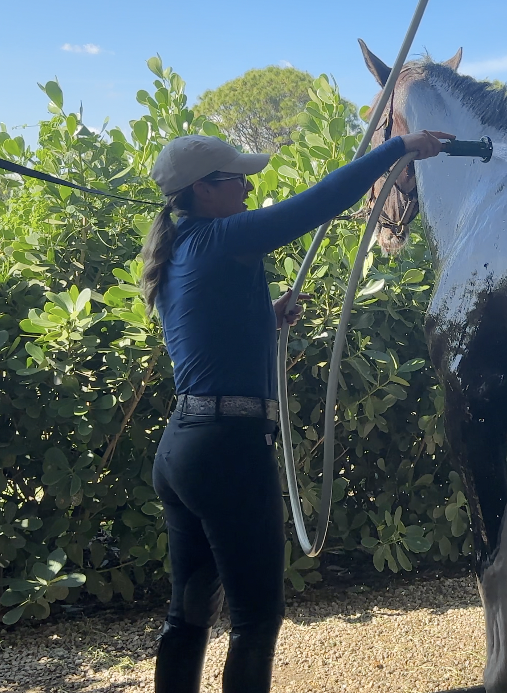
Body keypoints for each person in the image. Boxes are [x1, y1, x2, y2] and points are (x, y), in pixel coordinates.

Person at [140, 129, 452, 692]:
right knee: (257, 622)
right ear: (205, 190)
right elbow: (318, 203)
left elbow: (207, 336)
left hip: (185, 451)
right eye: (237, 178)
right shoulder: (222, 236)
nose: (247, 185)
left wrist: (266, 315)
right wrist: (399, 147)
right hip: (228, 453)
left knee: (187, 617)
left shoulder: (181, 249)